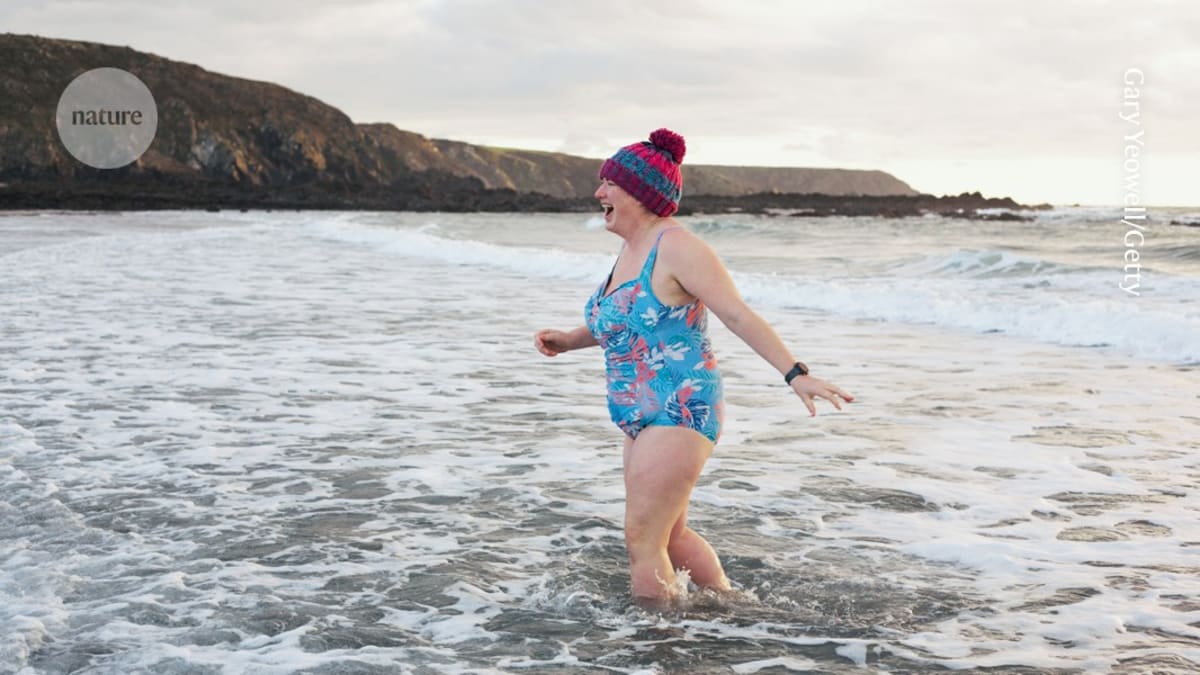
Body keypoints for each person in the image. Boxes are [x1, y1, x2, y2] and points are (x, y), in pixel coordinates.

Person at [533, 128, 854, 604]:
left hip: (680, 408)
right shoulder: (630, 249)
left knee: (642, 538)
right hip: (637, 413)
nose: (599, 193)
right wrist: (572, 339)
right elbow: (631, 323)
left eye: (609, 184)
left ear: (640, 194)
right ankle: (731, 605)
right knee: (671, 535)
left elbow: (738, 314)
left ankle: (657, 643)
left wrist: (795, 372)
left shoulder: (679, 248)